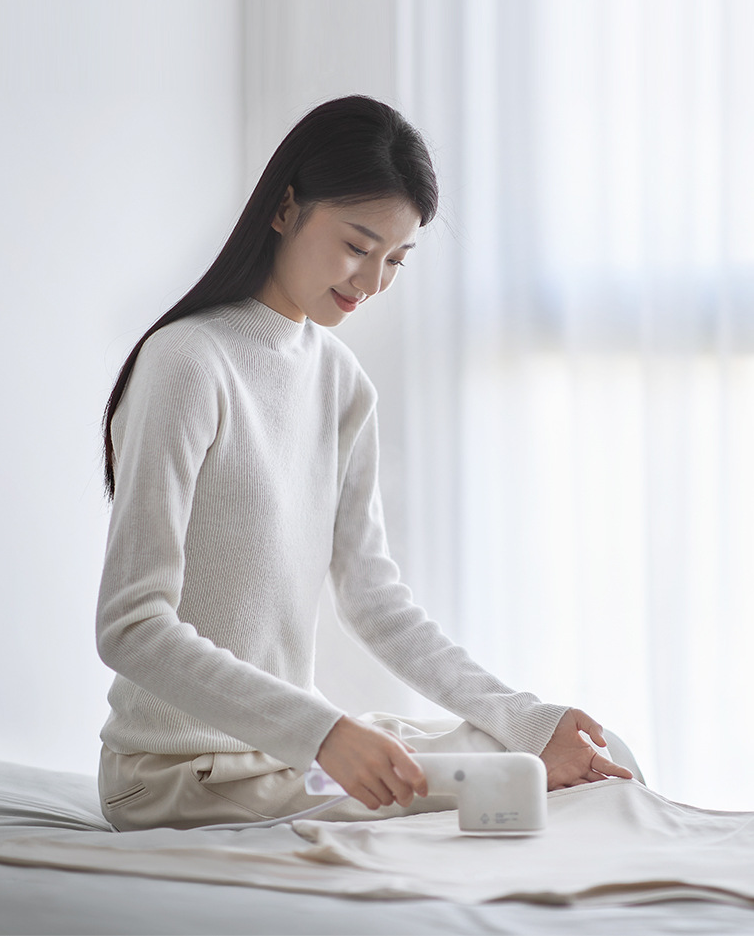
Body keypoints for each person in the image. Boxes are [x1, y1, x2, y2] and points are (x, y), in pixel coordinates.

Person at [96, 95, 636, 832]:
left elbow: (376, 601)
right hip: (180, 776)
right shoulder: (189, 362)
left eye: (396, 260)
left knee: (574, 752)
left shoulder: (342, 382)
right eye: (358, 245)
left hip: (287, 757)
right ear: (285, 208)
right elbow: (130, 626)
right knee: (526, 781)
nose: (373, 280)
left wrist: (525, 717)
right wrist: (324, 733)